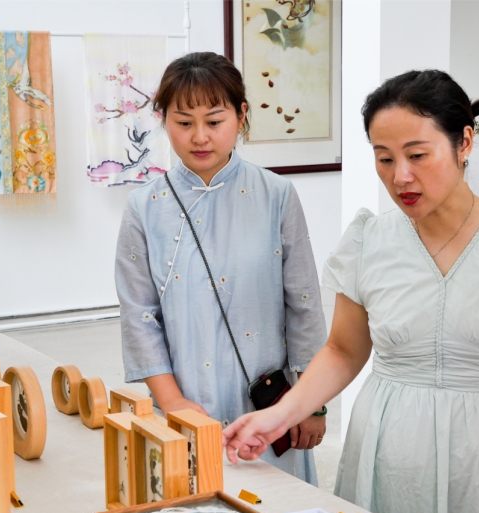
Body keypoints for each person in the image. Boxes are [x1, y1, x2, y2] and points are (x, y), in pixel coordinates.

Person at [223, 69, 479, 513]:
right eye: (384, 158)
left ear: (464, 142)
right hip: (391, 448)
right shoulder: (370, 239)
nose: (401, 177)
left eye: (418, 155)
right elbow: (343, 350)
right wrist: (280, 415)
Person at [115, 52, 327, 485]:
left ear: (241, 115)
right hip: (185, 402)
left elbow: (304, 302)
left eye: (214, 121)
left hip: (267, 407)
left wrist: (311, 402)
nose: (200, 137)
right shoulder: (143, 207)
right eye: (184, 122)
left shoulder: (277, 195)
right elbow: (139, 315)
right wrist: (173, 403)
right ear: (163, 119)